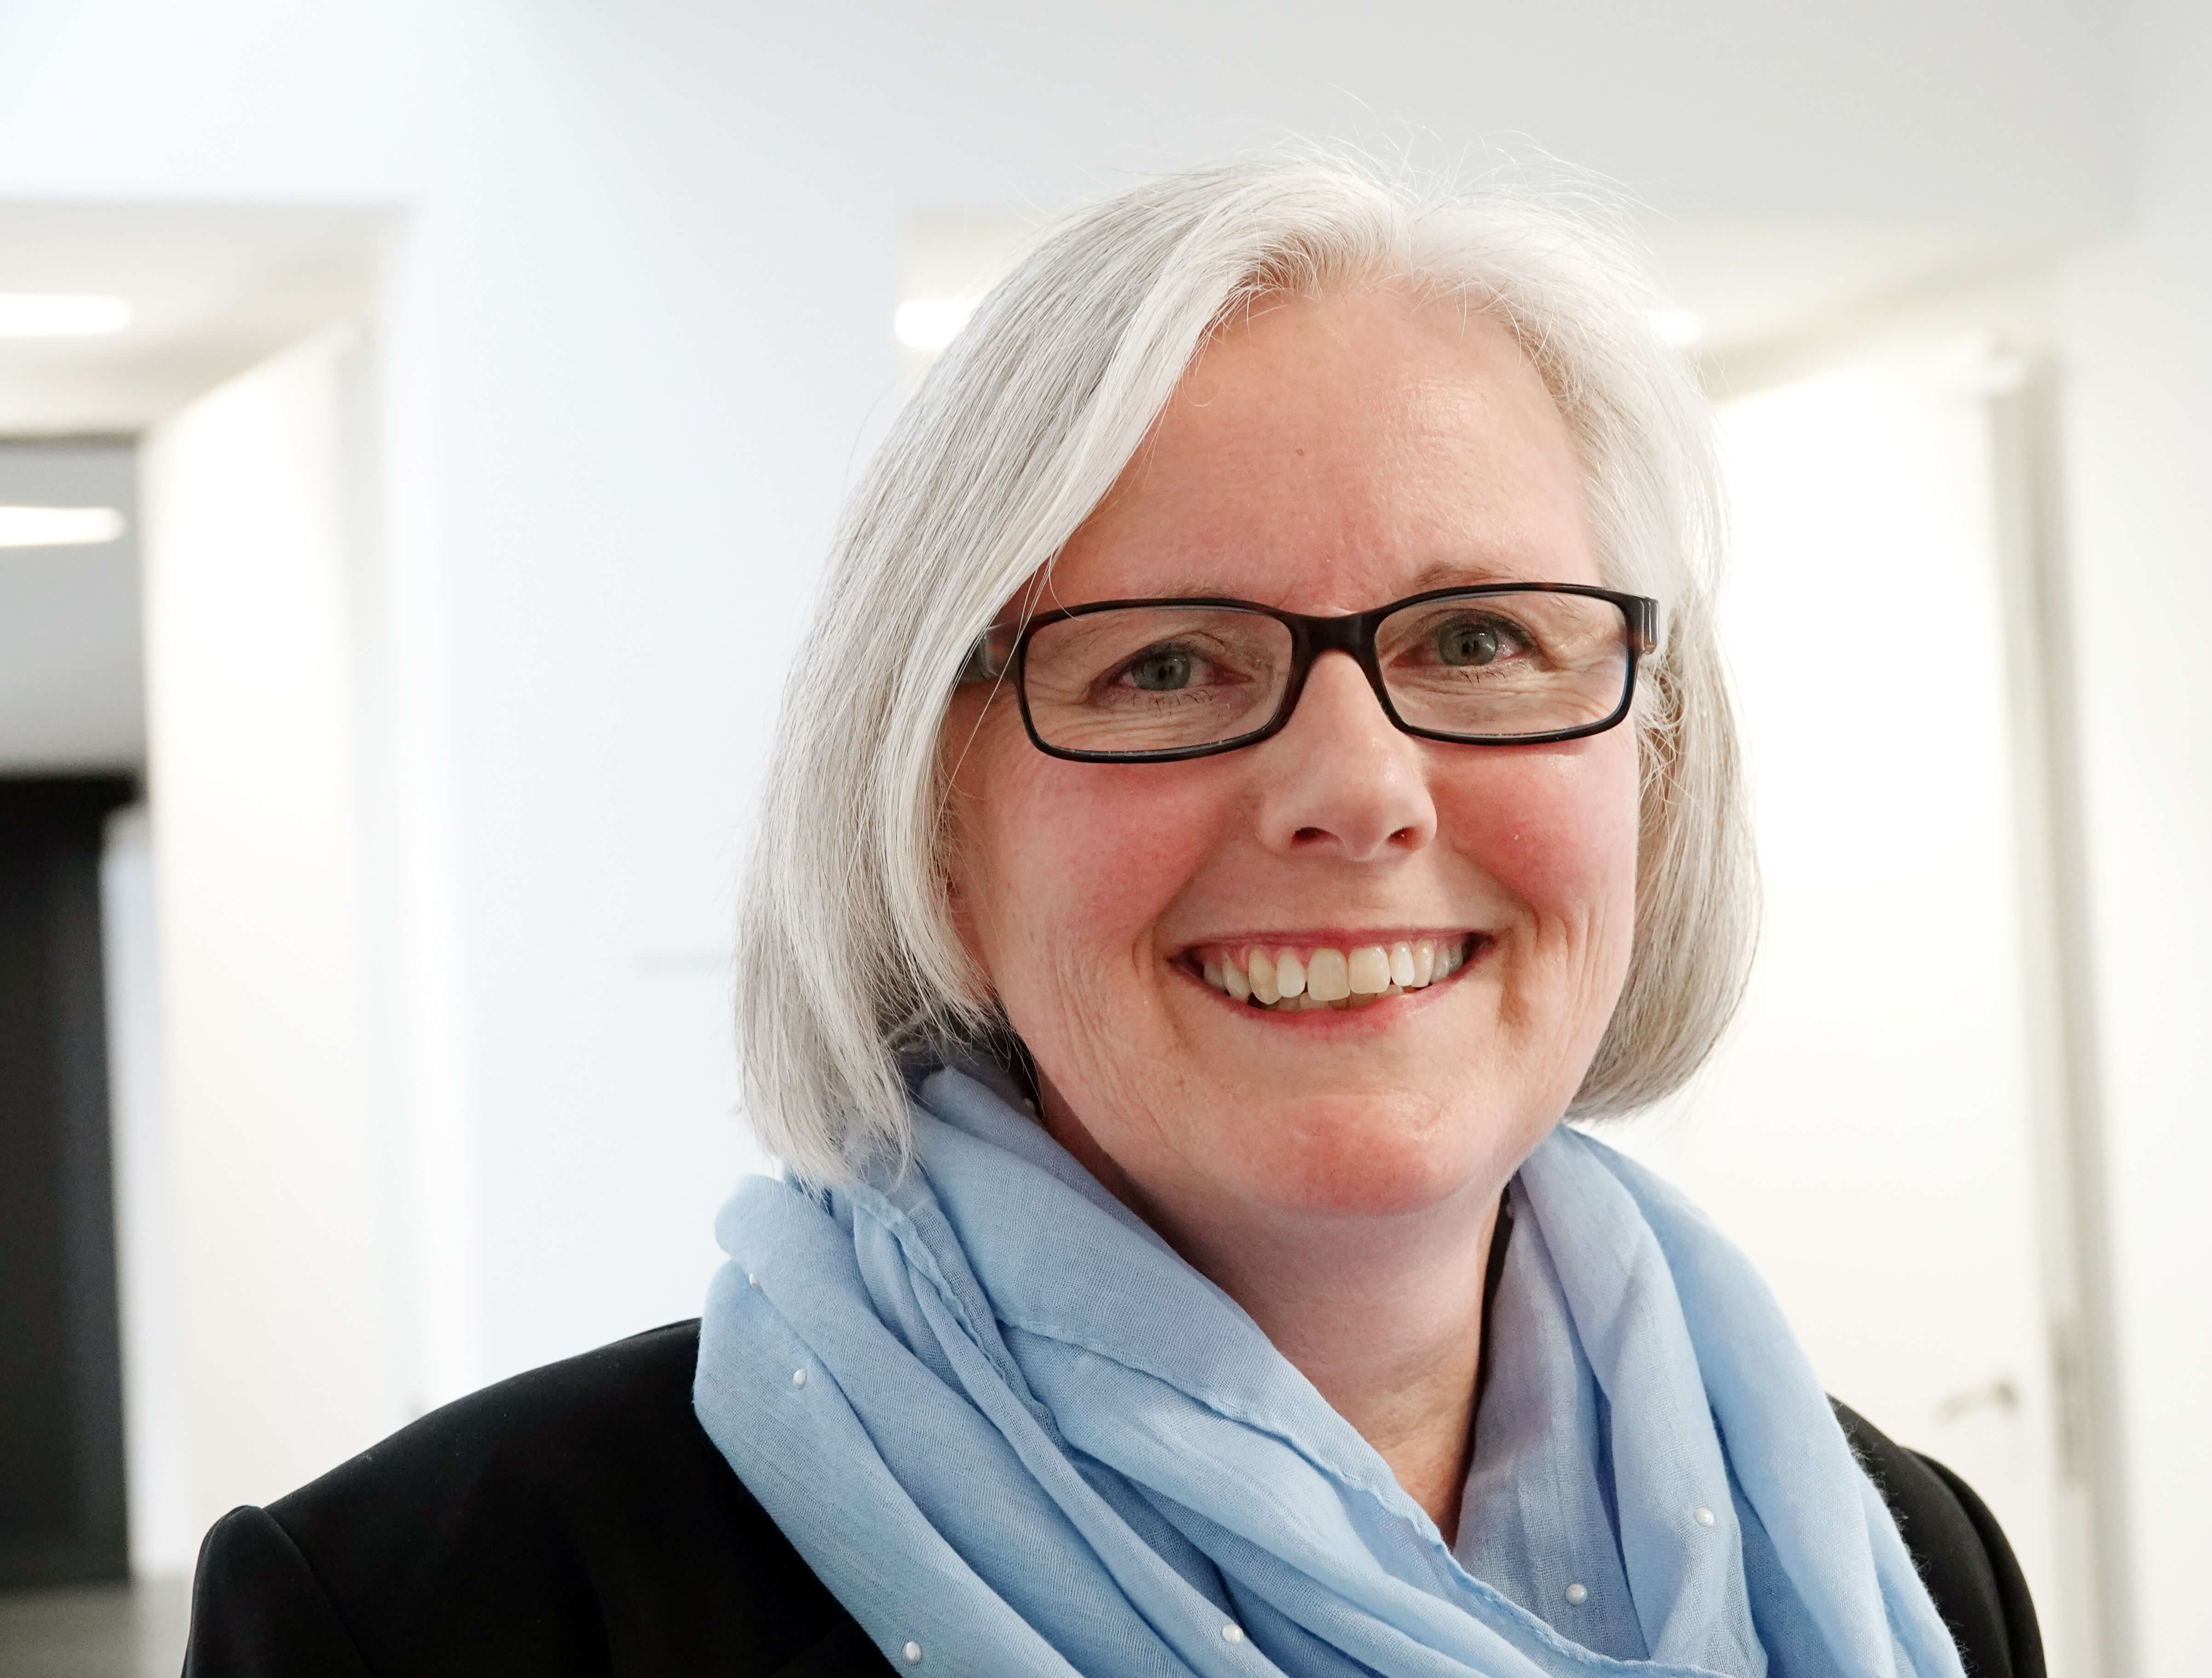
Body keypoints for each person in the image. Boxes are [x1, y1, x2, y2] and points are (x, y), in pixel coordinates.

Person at [185, 154, 2042, 1678]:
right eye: (1165, 663)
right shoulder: (429, 1622)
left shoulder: (1902, 1566)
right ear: (934, 823)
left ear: (1655, 763)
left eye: (1480, 639)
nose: (1358, 788)